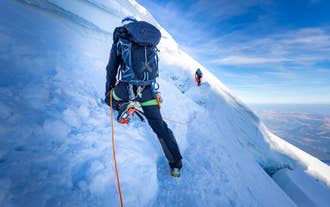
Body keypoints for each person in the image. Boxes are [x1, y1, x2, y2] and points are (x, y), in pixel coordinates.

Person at [104, 17, 183, 176]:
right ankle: (175, 164)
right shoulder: (149, 43)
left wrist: (110, 90)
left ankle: (123, 105)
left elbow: (111, 69)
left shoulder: (121, 41)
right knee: (159, 125)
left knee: (109, 99)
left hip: (125, 88)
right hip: (147, 91)